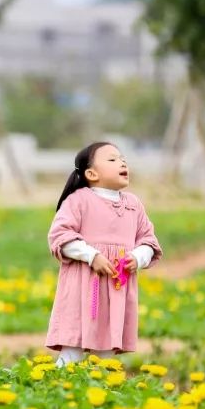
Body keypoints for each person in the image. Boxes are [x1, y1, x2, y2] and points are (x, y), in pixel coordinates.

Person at [45, 141, 163, 367]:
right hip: (83, 288)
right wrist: (92, 256)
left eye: (122, 159)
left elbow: (149, 240)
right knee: (73, 350)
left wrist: (138, 257)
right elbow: (59, 236)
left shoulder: (133, 204)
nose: (122, 162)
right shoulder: (79, 200)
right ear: (91, 173)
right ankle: (56, 389)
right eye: (112, 159)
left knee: (107, 352)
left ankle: (104, 392)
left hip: (116, 288)